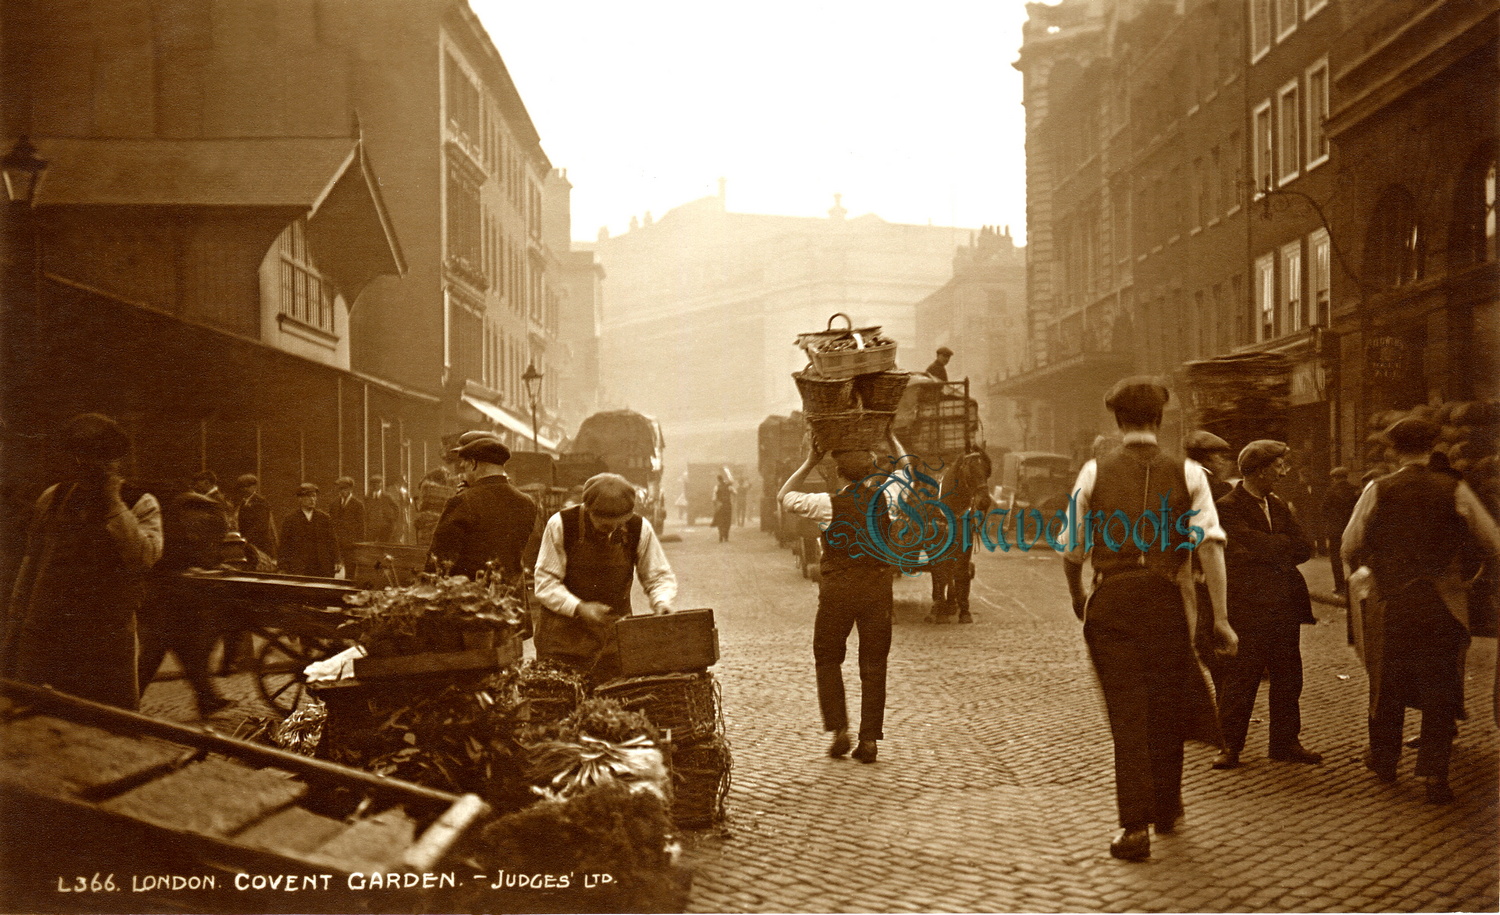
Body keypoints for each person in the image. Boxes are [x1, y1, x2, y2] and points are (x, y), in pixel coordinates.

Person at [1061, 378, 1234, 861]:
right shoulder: (1190, 474)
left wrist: (1079, 598)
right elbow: (1211, 548)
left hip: (1112, 601)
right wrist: (1221, 619)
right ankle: (1167, 806)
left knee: (1128, 717)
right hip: (1165, 603)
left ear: (1117, 422)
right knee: (1166, 703)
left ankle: (1134, 829)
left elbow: (1072, 550)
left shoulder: (1094, 472)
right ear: (1160, 420)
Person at [1341, 417, 1500, 804]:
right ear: (1433, 448)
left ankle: (1384, 759)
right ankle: (1435, 775)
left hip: (1392, 600)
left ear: (1394, 450)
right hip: (1442, 603)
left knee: (1386, 681)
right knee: (1440, 688)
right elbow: (1492, 542)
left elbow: (1349, 544)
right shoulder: (1455, 488)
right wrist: (1466, 573)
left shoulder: (1378, 489)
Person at [3, 413, 163, 709]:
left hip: (105, 640)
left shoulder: (140, 502)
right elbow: (32, 562)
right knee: (39, 718)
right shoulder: (54, 498)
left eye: (103, 457)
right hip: (47, 633)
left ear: (118, 461)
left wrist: (114, 503)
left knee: (108, 723)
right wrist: (16, 622)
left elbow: (143, 558)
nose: (91, 466)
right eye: (83, 455)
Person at [780, 434, 911, 765]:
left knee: (826, 658)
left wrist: (810, 460)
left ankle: (839, 730)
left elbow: (784, 496)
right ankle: (869, 740)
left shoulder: (827, 503)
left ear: (838, 474)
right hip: (877, 591)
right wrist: (892, 439)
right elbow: (906, 474)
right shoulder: (887, 499)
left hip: (838, 592)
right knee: (874, 664)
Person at [1211, 440, 1321, 772]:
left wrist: (1269, 549)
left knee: (1289, 676)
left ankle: (1284, 742)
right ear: (1260, 471)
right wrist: (1279, 548)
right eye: (1278, 466)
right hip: (1249, 606)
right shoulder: (1227, 507)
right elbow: (1239, 549)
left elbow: (1306, 547)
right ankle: (1230, 745)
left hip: (1284, 606)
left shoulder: (1277, 505)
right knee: (1242, 677)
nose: (1283, 471)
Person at [534, 473, 677, 683]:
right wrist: (579, 607)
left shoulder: (639, 528)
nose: (615, 530)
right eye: (606, 525)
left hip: (612, 641)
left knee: (611, 708)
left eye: (620, 524)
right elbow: (545, 582)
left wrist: (661, 601)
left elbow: (658, 575)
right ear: (588, 509)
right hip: (561, 642)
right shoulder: (562, 525)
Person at [138, 484, 231, 717]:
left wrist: (211, 568)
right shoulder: (171, 529)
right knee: (154, 655)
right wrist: (196, 571)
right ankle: (124, 703)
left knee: (187, 654)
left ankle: (207, 698)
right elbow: (165, 563)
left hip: (177, 604)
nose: (200, 518)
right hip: (162, 602)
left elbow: (198, 558)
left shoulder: (186, 530)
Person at [428, 436, 538, 581]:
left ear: (473, 464)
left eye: (465, 464)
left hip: (472, 597)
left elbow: (439, 559)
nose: (462, 468)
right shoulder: (527, 502)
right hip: (509, 595)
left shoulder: (463, 501)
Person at [927, 451, 992, 624]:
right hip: (942, 518)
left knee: (962, 564)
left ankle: (964, 607)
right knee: (940, 562)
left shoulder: (967, 502)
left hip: (962, 519)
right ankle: (940, 603)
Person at [277, 483, 339, 577]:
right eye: (308, 496)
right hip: (299, 568)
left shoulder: (324, 518)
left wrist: (337, 561)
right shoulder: (290, 519)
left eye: (314, 496)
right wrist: (282, 566)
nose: (312, 499)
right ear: (300, 499)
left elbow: (332, 541)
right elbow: (284, 545)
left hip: (322, 567)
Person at [1320, 467, 1361, 598]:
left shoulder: (1330, 491)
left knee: (1336, 558)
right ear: (1346, 476)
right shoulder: (1355, 490)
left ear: (1335, 478)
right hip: (1351, 528)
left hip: (1335, 530)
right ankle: (1354, 586)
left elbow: (1323, 510)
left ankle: (1340, 586)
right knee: (1353, 556)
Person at [232, 473, 277, 562]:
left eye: (246, 487)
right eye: (241, 487)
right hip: (248, 546)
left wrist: (246, 540)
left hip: (260, 546)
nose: (243, 489)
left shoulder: (261, 502)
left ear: (254, 487)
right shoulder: (243, 503)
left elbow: (261, 526)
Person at [1184, 430, 1235, 502]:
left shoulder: (1182, 479)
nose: (1223, 461)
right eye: (1221, 455)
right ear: (1208, 457)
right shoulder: (1218, 487)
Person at [329, 476, 365, 576]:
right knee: (334, 570)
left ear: (350, 489)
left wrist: (359, 546)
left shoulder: (358, 505)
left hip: (351, 545)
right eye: (340, 489)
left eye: (345, 488)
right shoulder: (334, 504)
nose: (342, 491)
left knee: (350, 571)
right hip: (337, 543)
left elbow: (361, 528)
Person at [366, 474, 402, 543]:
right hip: (372, 527)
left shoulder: (387, 497)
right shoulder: (367, 498)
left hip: (385, 527)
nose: (375, 486)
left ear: (381, 485)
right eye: (373, 484)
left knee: (383, 545)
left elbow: (396, 508)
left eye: (377, 484)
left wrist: (393, 521)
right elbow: (365, 511)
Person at [712, 469, 736, 543]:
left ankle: (721, 535)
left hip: (720, 506)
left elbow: (713, 499)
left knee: (720, 521)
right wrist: (733, 501)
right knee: (727, 521)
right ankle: (726, 536)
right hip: (728, 505)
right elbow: (735, 493)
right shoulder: (729, 486)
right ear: (723, 480)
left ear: (718, 480)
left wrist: (715, 506)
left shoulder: (716, 487)